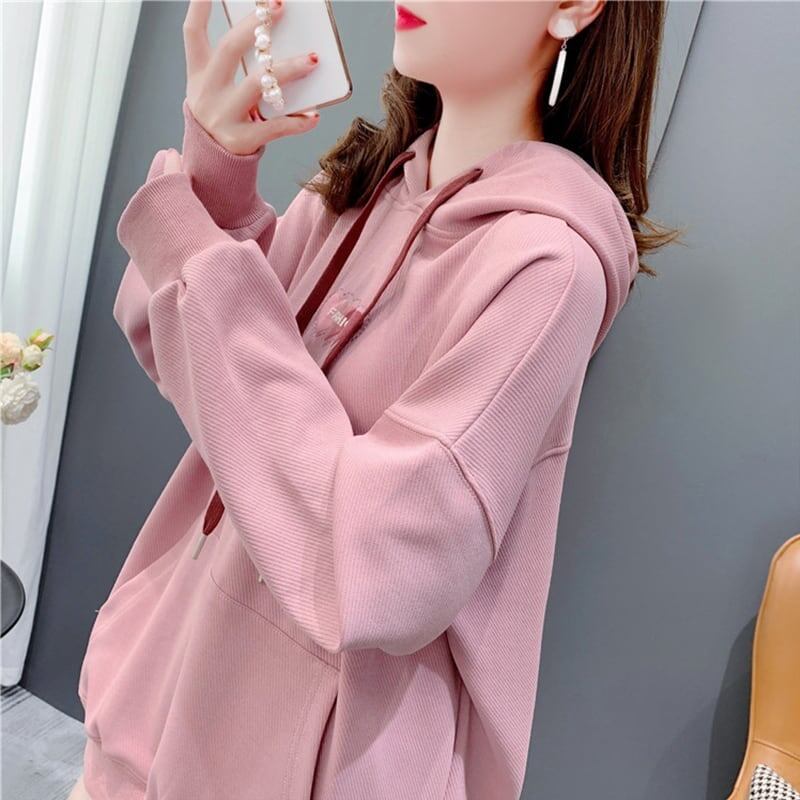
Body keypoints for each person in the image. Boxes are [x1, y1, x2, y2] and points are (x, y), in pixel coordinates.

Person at [71, 1, 678, 798]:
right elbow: (180, 352)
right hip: (153, 706)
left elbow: (375, 566)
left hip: (301, 765)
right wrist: (216, 174)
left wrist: (192, 243)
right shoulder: (366, 185)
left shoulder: (548, 267)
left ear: (572, 7)